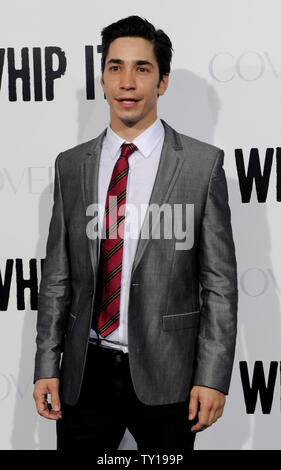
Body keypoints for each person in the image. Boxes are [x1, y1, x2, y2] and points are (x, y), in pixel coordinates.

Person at [33, 15, 238, 452]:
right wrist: (46, 364)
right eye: (115, 67)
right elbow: (56, 278)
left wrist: (213, 377)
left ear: (162, 82)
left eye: (142, 69)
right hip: (84, 373)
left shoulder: (202, 166)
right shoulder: (71, 166)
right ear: (103, 79)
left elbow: (219, 285)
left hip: (171, 377)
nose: (127, 81)